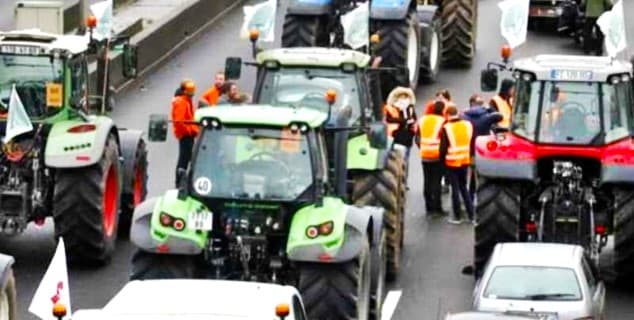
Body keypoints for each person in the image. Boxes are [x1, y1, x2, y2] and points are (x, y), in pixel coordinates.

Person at [462, 94, 502, 201]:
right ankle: (477, 199)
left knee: (466, 179)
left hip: (466, 152)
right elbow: (499, 116)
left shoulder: (463, 117)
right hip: (481, 152)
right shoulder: (486, 118)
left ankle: (466, 200)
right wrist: (489, 109)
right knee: (479, 179)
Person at [440, 105, 475, 224]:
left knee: (454, 189)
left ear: (448, 115)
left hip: (452, 161)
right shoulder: (468, 125)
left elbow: (443, 148)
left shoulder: (447, 128)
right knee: (464, 188)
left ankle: (457, 216)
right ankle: (472, 216)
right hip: (465, 160)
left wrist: (442, 161)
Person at [417, 100, 446, 216]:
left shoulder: (422, 120)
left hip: (425, 155)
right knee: (436, 182)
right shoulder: (442, 121)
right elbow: (445, 139)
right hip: (437, 155)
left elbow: (417, 137)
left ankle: (428, 208)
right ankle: (437, 208)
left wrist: (422, 147)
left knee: (427, 181)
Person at [171, 79, 200, 187]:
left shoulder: (185, 101)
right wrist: (190, 130)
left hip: (187, 134)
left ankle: (181, 181)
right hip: (185, 135)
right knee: (184, 159)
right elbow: (179, 121)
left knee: (185, 158)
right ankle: (179, 182)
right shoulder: (182, 102)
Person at [385, 87, 417, 161]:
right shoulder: (392, 108)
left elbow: (414, 118)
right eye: (401, 97)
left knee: (406, 157)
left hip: (408, 136)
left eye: (405, 97)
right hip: (397, 136)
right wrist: (403, 121)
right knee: (398, 157)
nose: (403, 99)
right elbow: (388, 119)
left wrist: (411, 122)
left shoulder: (410, 108)